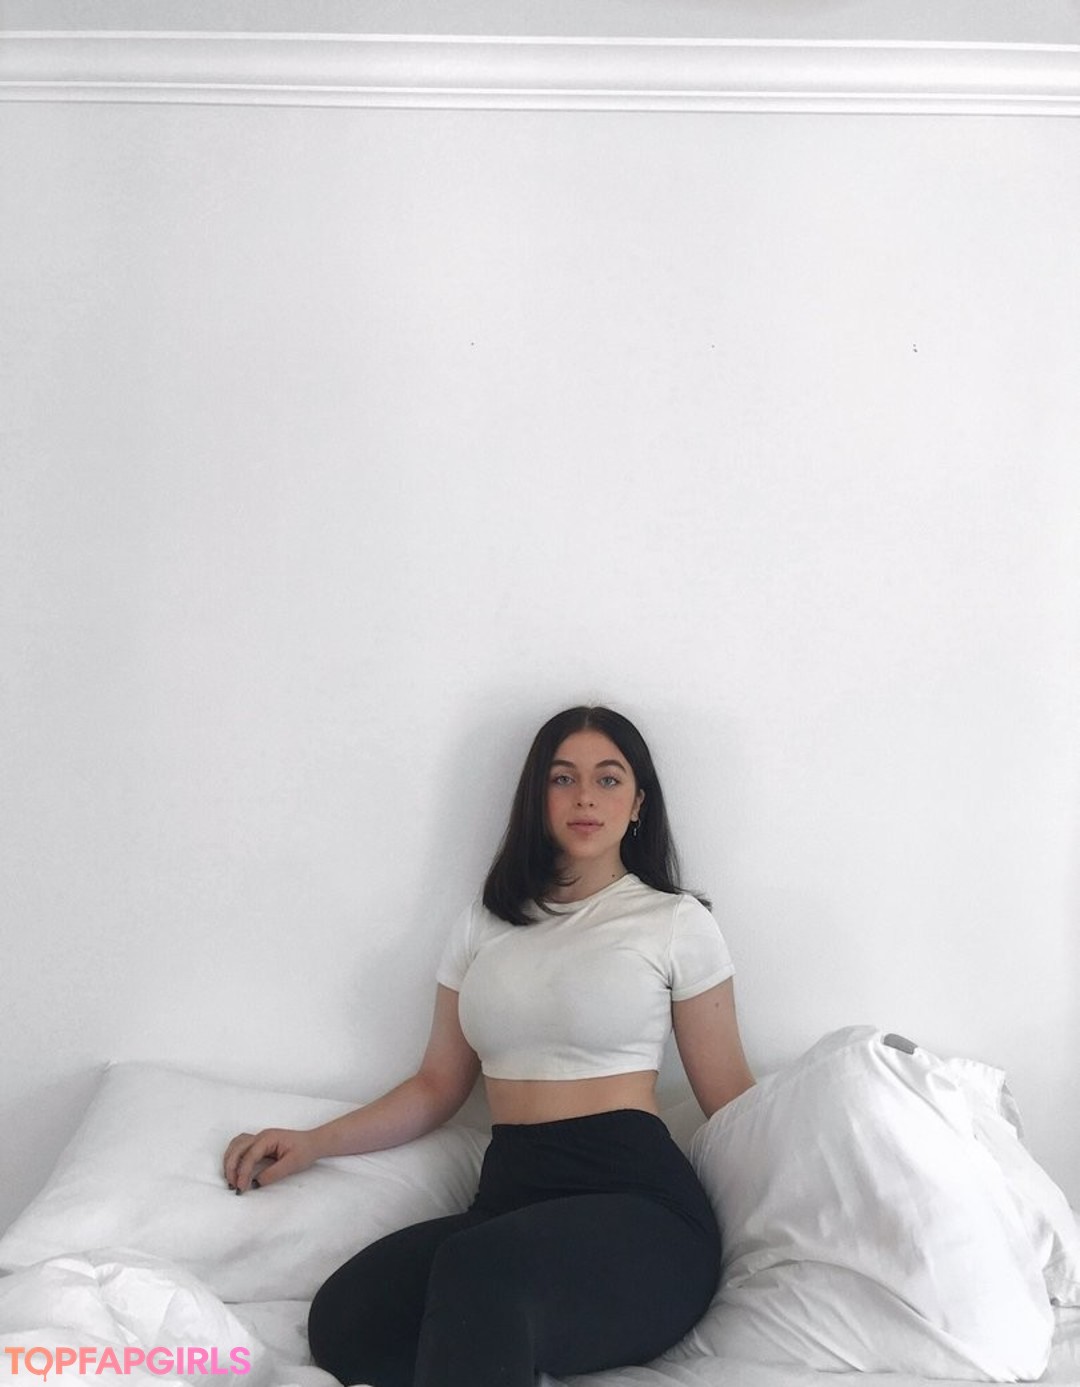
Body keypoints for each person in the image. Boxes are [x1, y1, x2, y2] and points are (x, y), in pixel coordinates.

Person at [223, 705, 754, 1387]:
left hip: (640, 1208)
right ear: (538, 796)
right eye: (562, 778)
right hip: (511, 1199)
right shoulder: (485, 923)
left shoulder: (674, 921)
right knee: (348, 1316)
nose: (585, 797)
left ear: (638, 803)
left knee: (483, 1270)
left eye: (608, 778)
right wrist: (313, 1142)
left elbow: (731, 1099)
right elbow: (436, 1085)